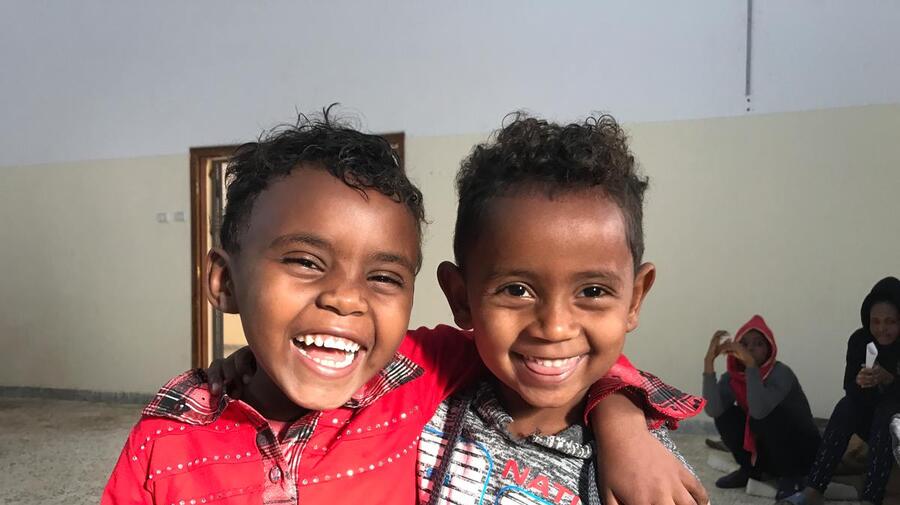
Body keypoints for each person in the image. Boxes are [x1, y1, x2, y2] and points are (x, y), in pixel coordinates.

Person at [102, 110, 706, 505]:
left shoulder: (416, 377)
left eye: (385, 276)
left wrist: (623, 425)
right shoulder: (164, 439)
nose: (345, 299)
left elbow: (562, 357)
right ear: (223, 281)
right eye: (306, 262)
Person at [780, 276, 900, 505]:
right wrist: (861, 381)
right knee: (846, 407)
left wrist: (889, 379)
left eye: (890, 322)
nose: (882, 329)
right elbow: (850, 390)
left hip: (895, 424)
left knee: (887, 413)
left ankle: (871, 498)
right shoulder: (860, 340)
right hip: (871, 421)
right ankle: (814, 490)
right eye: (875, 321)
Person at [702, 315, 820, 499]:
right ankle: (750, 470)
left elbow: (759, 410)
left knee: (766, 415)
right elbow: (713, 410)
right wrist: (709, 363)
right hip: (769, 451)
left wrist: (751, 367)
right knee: (727, 415)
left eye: (758, 344)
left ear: (769, 349)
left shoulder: (780, 373)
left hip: (802, 452)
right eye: (745, 344)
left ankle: (791, 477)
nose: (750, 349)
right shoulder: (734, 377)